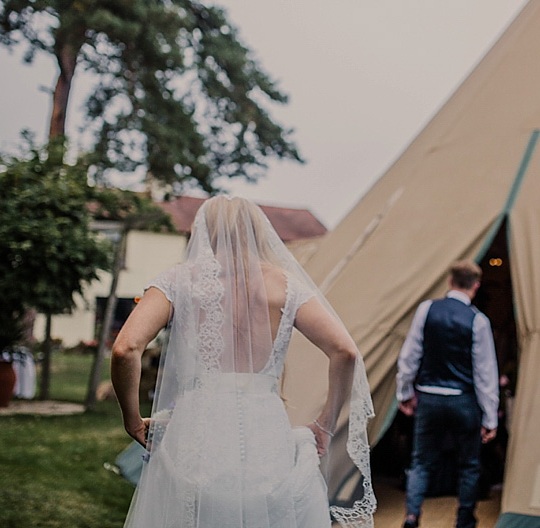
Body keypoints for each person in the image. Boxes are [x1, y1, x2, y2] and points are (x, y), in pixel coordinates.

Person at [111, 196, 376, 527]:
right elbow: (345, 351)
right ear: (257, 232)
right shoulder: (286, 286)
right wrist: (325, 422)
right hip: (265, 436)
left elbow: (125, 349)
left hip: (197, 433)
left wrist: (132, 419)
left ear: (204, 231)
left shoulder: (178, 281)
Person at [396, 260, 499, 528]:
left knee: (421, 462)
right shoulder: (478, 320)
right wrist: (490, 417)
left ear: (450, 281)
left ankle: (412, 515)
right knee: (469, 465)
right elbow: (485, 373)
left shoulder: (427, 310)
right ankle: (464, 519)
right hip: (463, 400)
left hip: (429, 398)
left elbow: (410, 355)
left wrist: (404, 391)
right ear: (476, 286)